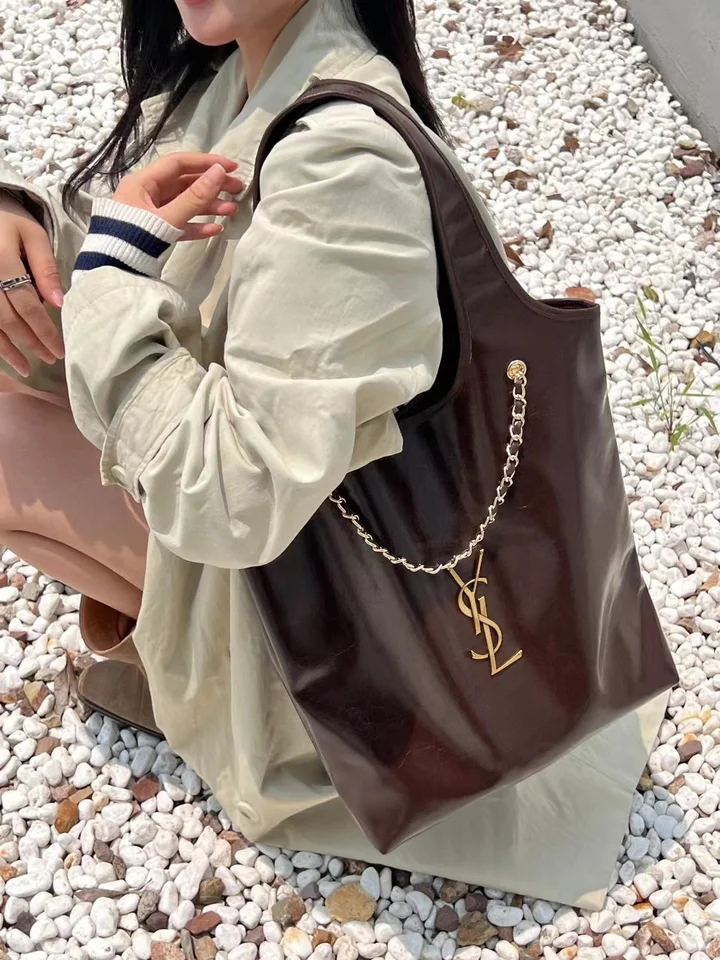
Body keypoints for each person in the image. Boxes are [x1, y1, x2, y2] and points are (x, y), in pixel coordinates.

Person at [0, 0, 667, 906]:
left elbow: (232, 496)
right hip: (295, 547)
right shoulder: (235, 74)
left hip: (343, 629)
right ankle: (187, 667)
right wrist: (22, 221)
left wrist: (111, 272)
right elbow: (131, 251)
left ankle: (232, 704)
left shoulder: (343, 159)